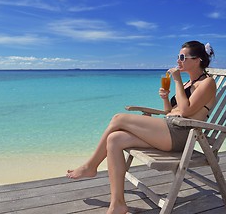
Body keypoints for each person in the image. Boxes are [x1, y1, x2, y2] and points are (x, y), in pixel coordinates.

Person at [66, 40, 216, 214]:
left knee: (118, 118)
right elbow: (170, 112)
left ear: (197, 60)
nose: (178, 61)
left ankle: (90, 166)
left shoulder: (207, 83)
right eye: (178, 57)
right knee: (114, 139)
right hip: (169, 130)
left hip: (182, 136)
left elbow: (185, 111)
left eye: (182, 57)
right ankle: (118, 204)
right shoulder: (188, 84)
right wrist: (166, 98)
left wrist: (176, 80)